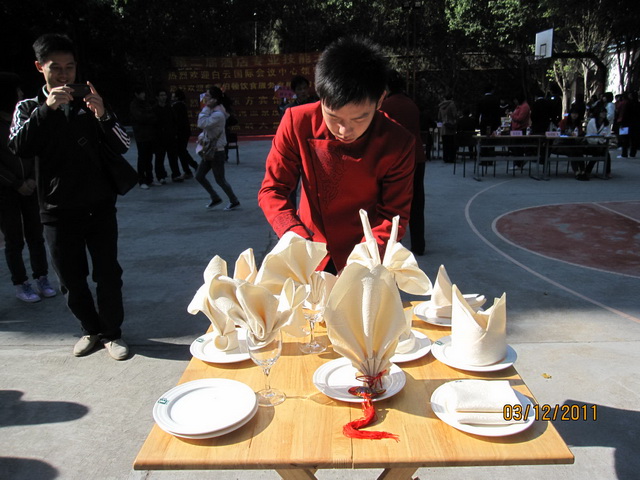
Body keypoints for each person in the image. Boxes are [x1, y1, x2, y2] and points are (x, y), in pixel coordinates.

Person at [9, 33, 130, 360]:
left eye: (70, 67)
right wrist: (47, 110)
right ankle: (90, 329)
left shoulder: (89, 100)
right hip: (56, 209)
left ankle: (112, 334)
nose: (64, 75)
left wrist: (102, 115)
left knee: (108, 274)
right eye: (56, 68)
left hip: (99, 205)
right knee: (71, 279)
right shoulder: (28, 108)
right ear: (40, 67)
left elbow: (123, 145)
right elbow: (18, 146)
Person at [258, 37, 415, 273]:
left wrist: (361, 262)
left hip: (370, 252)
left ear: (380, 100)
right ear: (320, 96)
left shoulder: (397, 142)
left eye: (359, 118)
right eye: (333, 117)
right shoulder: (297, 122)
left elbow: (393, 214)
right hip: (309, 246)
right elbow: (273, 189)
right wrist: (294, 234)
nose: (344, 130)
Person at [1, 72, 56, 303]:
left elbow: (36, 148)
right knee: (14, 238)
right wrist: (16, 183)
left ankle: (42, 277)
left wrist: (33, 178)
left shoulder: (25, 115)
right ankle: (21, 283)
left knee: (36, 235)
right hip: (6, 191)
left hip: (32, 187)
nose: (21, 95)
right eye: (17, 91)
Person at [380, 70, 426, 255]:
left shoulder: (386, 105)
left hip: (397, 160)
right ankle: (419, 244)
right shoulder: (411, 104)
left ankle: (392, 245)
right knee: (417, 201)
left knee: (393, 204)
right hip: (417, 157)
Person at [195, 86, 240, 210]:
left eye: (208, 96)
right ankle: (215, 197)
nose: (205, 97)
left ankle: (234, 200)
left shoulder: (218, 114)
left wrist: (206, 108)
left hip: (217, 152)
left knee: (220, 179)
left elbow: (201, 123)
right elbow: (206, 130)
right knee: (199, 176)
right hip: (209, 150)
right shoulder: (214, 111)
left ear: (214, 99)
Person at [153, 88, 182, 183]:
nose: (163, 97)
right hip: (159, 137)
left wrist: (175, 133)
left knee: (173, 157)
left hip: (170, 136)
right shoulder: (154, 109)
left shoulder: (170, 108)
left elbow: (175, 121)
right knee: (159, 157)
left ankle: (176, 174)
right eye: (161, 95)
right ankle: (160, 176)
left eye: (164, 95)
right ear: (157, 97)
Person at [129, 86, 156, 189]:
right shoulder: (134, 105)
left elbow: (152, 115)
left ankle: (149, 178)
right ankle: (142, 180)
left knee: (149, 157)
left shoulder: (146, 103)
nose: (143, 95)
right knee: (142, 157)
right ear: (137, 94)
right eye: (141, 93)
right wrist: (149, 117)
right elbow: (140, 117)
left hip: (149, 133)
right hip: (141, 134)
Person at [170, 89, 198, 178]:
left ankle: (191, 167)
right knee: (182, 151)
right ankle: (189, 169)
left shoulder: (176, 106)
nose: (172, 96)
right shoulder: (182, 105)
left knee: (181, 151)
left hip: (180, 132)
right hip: (184, 131)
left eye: (173, 95)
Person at [555, 107, 586, 179]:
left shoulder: (578, 123)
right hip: (562, 143)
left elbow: (580, 133)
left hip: (574, 142)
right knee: (572, 152)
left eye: (576, 114)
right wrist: (569, 134)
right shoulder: (564, 121)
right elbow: (560, 132)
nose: (574, 115)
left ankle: (583, 170)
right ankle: (576, 171)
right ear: (570, 114)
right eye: (573, 113)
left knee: (579, 151)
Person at [584, 106, 612, 179]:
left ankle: (588, 171)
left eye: (605, 112)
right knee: (601, 152)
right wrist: (597, 141)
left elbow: (608, 134)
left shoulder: (606, 123)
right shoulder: (592, 122)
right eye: (602, 112)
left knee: (603, 152)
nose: (604, 114)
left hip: (602, 144)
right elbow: (589, 135)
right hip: (591, 144)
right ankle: (607, 172)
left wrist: (603, 141)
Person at [437, 93, 458, 164]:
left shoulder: (441, 106)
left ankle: (445, 157)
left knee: (445, 144)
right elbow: (455, 115)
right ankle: (451, 158)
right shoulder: (452, 104)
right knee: (451, 143)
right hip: (450, 126)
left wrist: (440, 125)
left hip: (443, 127)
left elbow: (439, 117)